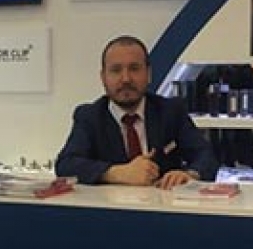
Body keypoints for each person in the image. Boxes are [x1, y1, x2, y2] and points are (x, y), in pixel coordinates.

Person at [55, 35, 219, 188]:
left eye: (134, 68)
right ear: (103, 77)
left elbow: (206, 156)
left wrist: (189, 175)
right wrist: (116, 173)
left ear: (148, 74)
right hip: (110, 207)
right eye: (116, 70)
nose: (126, 79)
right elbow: (66, 164)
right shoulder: (89, 116)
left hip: (162, 205)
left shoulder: (171, 111)